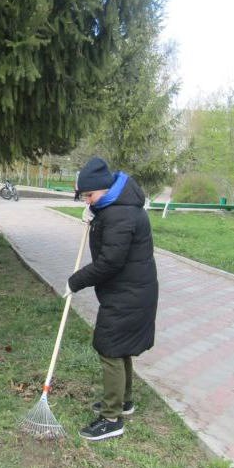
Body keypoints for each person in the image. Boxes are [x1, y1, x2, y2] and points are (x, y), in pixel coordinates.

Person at [65, 157, 158, 441]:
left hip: (129, 293)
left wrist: (75, 281)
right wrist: (95, 219)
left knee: (109, 348)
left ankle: (111, 418)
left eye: (89, 196)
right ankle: (123, 402)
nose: (87, 202)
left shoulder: (121, 215)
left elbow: (109, 262)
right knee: (120, 347)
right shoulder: (115, 207)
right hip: (131, 290)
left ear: (104, 189)